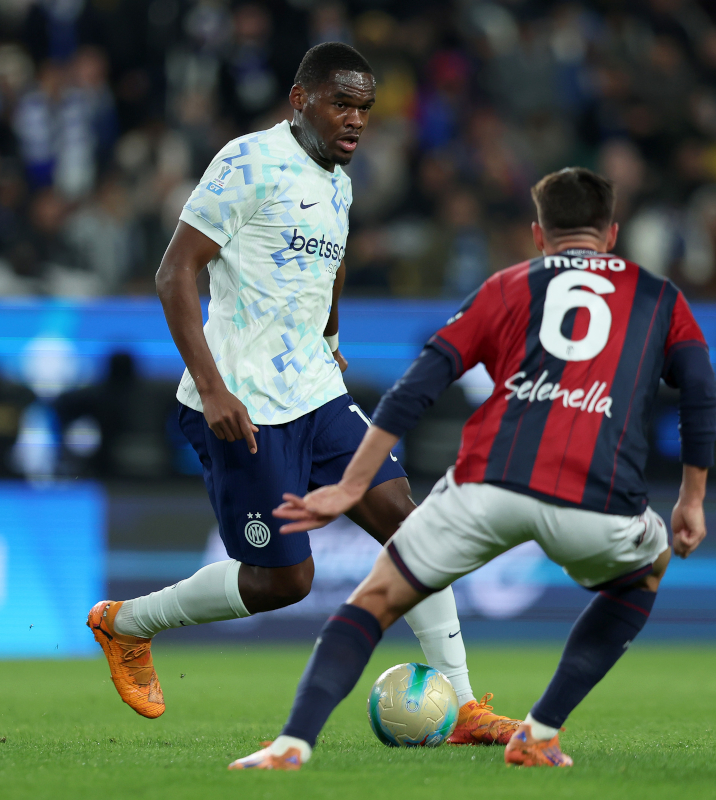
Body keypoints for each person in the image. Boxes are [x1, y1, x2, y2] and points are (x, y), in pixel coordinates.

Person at [86, 42, 518, 745]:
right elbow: (175, 274)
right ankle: (125, 624)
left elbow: (332, 258)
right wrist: (213, 388)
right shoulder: (246, 161)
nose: (355, 120)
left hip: (316, 392)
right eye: (341, 104)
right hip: (243, 406)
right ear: (299, 99)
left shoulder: (342, 180)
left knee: (415, 535)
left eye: (365, 109)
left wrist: (332, 334)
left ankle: (465, 707)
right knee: (281, 582)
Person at [229, 167, 716, 770]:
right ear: (611, 234)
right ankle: (539, 733)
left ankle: (291, 744)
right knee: (645, 570)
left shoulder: (507, 287)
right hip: (599, 494)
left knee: (377, 597)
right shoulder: (660, 297)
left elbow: (418, 386)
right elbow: (699, 390)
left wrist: (353, 483)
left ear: (539, 236)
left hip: (489, 482)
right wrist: (691, 498)